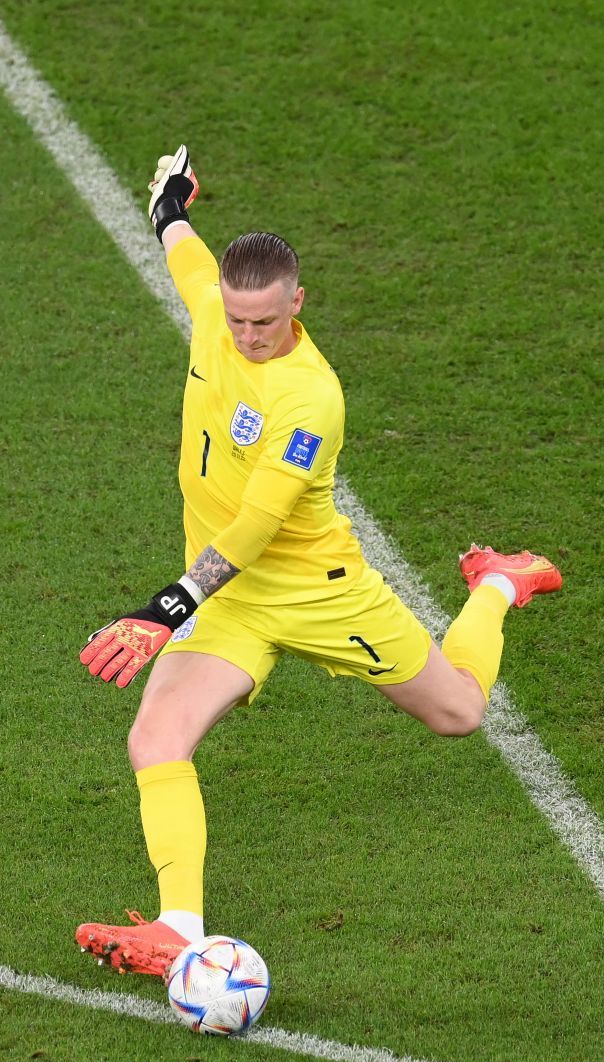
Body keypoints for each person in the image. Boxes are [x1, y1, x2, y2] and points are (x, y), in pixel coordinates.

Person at [74, 146, 561, 976]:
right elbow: (185, 257)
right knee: (156, 738)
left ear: (297, 303)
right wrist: (171, 211)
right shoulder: (214, 319)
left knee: (459, 714)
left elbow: (259, 524)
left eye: (264, 321)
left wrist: (168, 606)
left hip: (316, 593)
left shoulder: (310, 398)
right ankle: (179, 928)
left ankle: (499, 584)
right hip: (229, 603)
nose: (248, 335)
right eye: (236, 320)